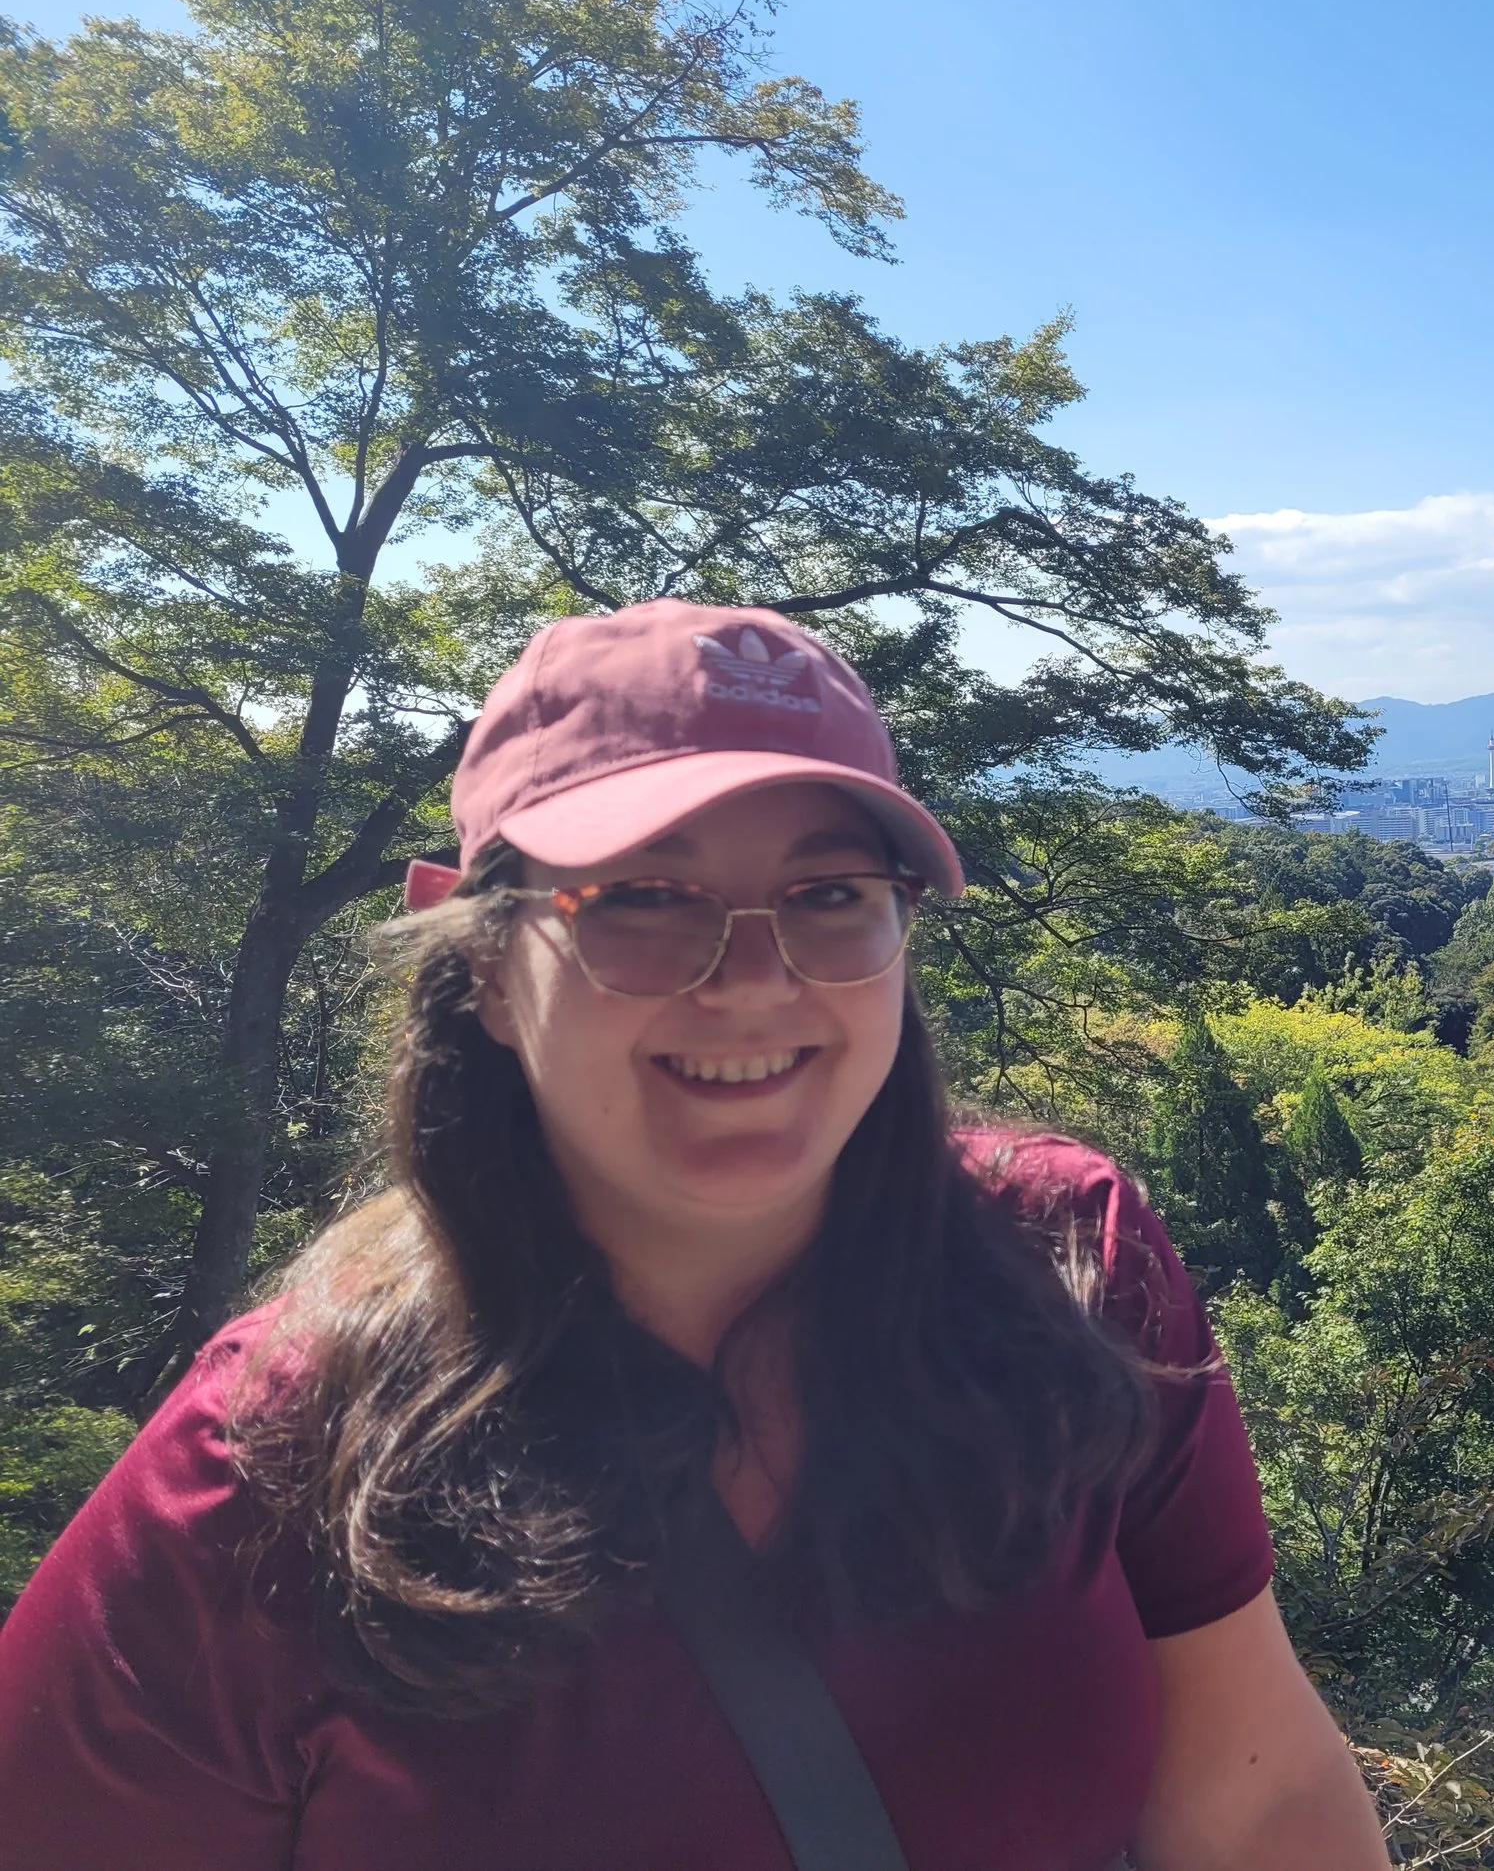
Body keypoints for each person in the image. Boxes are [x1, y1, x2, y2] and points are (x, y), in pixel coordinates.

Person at [0, 601, 1391, 1871]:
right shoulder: (273, 1470)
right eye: (645, 900)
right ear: (485, 966)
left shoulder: (1074, 1272)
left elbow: (1256, 1800)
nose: (753, 983)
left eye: (829, 893)